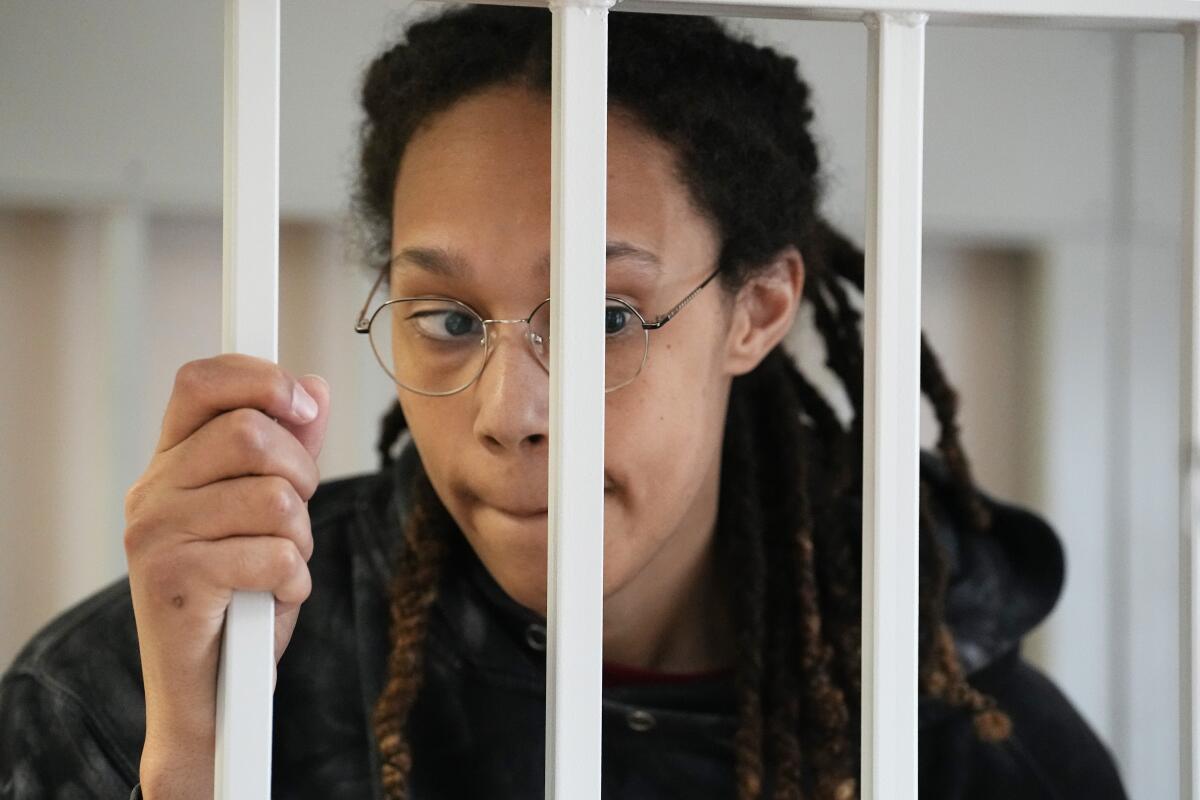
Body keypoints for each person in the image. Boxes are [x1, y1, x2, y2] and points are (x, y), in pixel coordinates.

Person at [0, 6, 1128, 799]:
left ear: (760, 307)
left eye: (600, 317)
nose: (508, 412)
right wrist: (196, 769)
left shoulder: (979, 749)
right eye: (443, 316)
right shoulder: (147, 682)